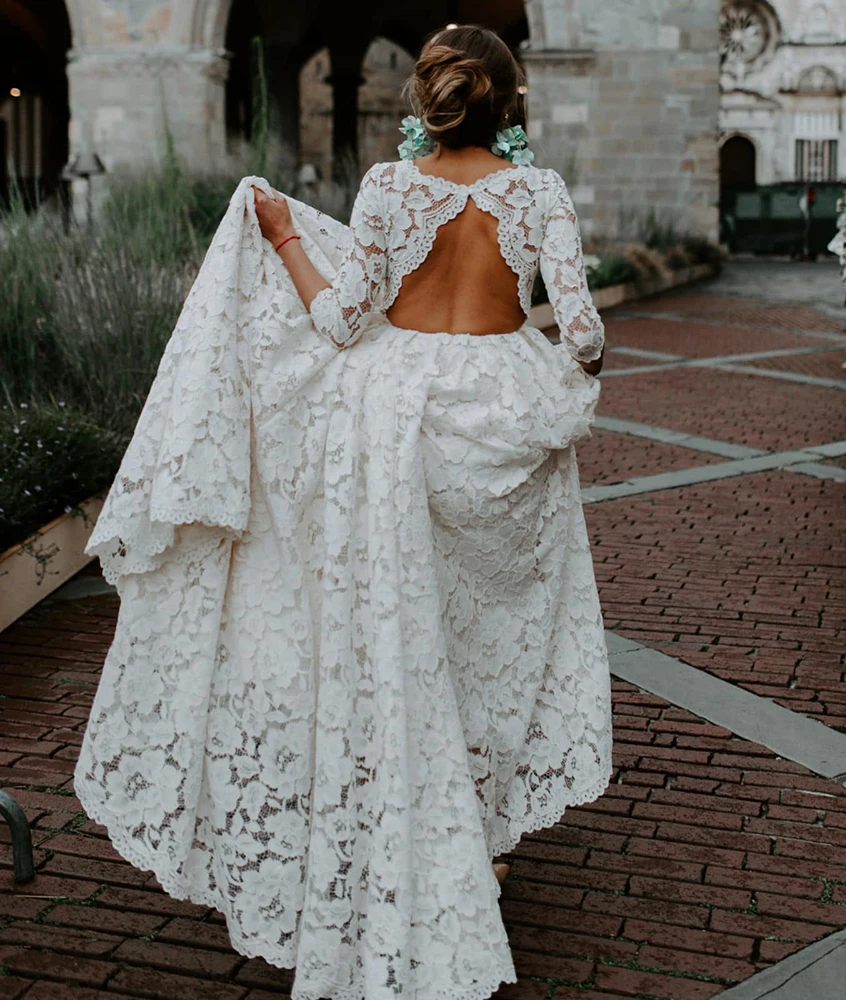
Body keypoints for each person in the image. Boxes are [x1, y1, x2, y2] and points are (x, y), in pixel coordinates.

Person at [73, 23, 613, 1000]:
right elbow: (581, 331)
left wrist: (285, 236)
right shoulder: (540, 192)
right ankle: (479, 843)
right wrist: (553, 372)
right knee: (484, 636)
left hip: (396, 436)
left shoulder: (388, 191)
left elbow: (343, 320)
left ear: (426, 101)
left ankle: (401, 830)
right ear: (510, 101)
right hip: (499, 430)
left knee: (403, 637)